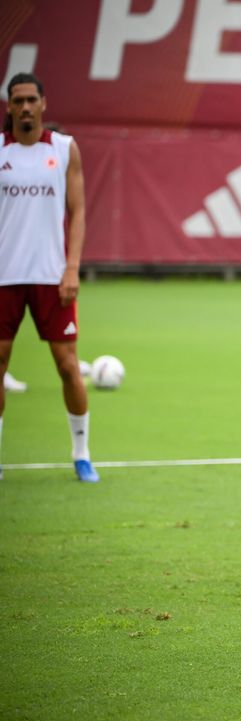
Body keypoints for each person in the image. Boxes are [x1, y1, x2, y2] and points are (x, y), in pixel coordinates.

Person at [0, 72, 97, 483]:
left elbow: (77, 212)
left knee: (68, 366)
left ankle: (81, 453)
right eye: (17, 100)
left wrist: (71, 266)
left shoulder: (63, 148)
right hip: (4, 276)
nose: (24, 107)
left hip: (51, 277)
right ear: (9, 106)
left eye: (30, 100)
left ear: (43, 103)